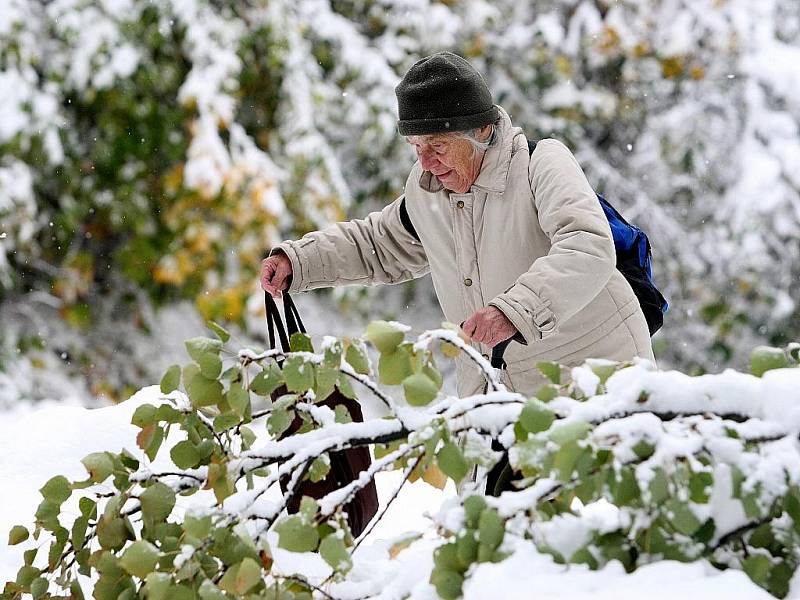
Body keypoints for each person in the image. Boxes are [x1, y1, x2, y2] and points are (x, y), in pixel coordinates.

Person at [260, 51, 655, 399]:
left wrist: (514, 311)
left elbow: (586, 245)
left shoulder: (540, 164)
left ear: (480, 131)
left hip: (595, 381)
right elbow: (378, 245)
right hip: (499, 392)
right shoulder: (428, 192)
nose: (426, 162)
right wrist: (300, 261)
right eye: (416, 148)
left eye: (437, 145)